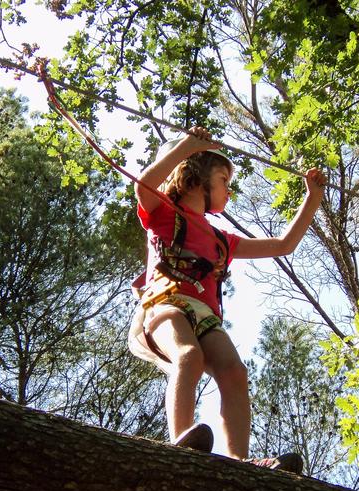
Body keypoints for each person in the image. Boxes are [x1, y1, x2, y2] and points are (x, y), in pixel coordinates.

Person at [128, 126, 326, 473]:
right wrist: (189, 145)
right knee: (188, 356)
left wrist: (312, 199)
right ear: (194, 177)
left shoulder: (223, 240)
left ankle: (239, 460)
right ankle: (181, 441)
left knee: (234, 371)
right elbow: (143, 185)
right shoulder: (162, 212)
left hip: (203, 312)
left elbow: (283, 245)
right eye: (223, 179)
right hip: (165, 303)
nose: (228, 191)